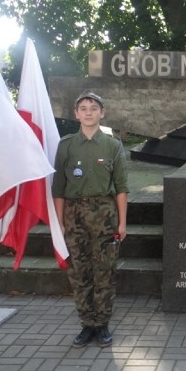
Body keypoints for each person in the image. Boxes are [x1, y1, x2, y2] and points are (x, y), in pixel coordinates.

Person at [53, 91, 129, 348]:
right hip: (74, 215)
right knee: (79, 271)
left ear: (102, 113)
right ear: (76, 114)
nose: (88, 112)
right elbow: (59, 188)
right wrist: (60, 222)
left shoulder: (112, 145)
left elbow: (121, 187)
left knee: (104, 271)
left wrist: (122, 222)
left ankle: (103, 324)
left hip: (105, 214)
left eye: (93, 108)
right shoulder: (66, 146)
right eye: (83, 108)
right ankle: (87, 324)